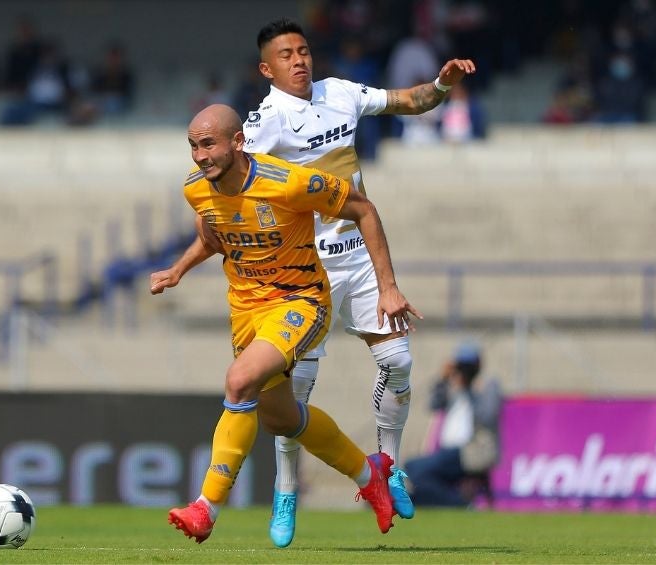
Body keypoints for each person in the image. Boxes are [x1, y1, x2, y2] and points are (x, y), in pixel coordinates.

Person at [241, 18, 474, 547]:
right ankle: (285, 489)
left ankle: (388, 468)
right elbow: (239, 182)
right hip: (304, 270)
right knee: (294, 392)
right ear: (267, 68)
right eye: (286, 54)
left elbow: (412, 102)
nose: (299, 60)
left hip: (360, 258)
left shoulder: (340, 93)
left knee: (399, 362)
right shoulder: (266, 122)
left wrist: (441, 85)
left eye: (303, 50)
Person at [150, 104, 418, 544]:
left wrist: (388, 287)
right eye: (193, 146)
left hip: (301, 302)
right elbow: (211, 237)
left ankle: (206, 507)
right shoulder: (197, 189)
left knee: (239, 382)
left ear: (237, 142)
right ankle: (368, 474)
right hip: (246, 313)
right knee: (280, 418)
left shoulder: (290, 182)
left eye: (208, 144)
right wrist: (179, 269)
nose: (199, 156)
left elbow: (364, 210)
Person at [404, 340, 503, 507]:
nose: (466, 370)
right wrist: (442, 379)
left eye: (469, 365)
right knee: (414, 471)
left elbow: (487, 417)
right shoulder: (453, 385)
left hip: (473, 451)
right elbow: (434, 404)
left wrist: (470, 389)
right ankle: (443, 502)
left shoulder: (488, 385)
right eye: (462, 365)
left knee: (416, 470)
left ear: (478, 364)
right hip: (449, 452)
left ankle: (461, 505)